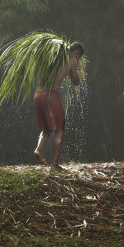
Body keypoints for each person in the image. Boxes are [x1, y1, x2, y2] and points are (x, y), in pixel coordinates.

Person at [33, 42, 84, 170]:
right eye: (79, 57)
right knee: (60, 130)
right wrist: (76, 69)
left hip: (38, 95)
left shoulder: (52, 55)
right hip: (51, 95)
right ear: (76, 53)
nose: (78, 60)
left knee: (47, 128)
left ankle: (38, 150)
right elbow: (76, 81)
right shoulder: (72, 60)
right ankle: (54, 164)